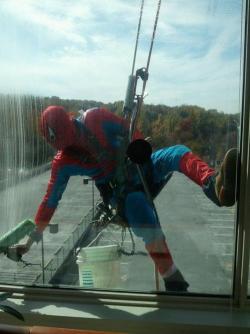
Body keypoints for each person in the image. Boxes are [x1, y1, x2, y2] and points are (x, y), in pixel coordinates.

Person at [13, 105, 238, 292]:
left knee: (177, 153)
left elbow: (130, 130)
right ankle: (172, 279)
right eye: (68, 146)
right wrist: (31, 241)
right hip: (118, 190)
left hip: (139, 163)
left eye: (72, 139)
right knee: (140, 211)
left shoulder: (95, 118)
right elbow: (49, 202)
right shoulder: (63, 162)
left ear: (71, 123)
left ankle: (215, 186)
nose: (75, 147)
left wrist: (137, 152)